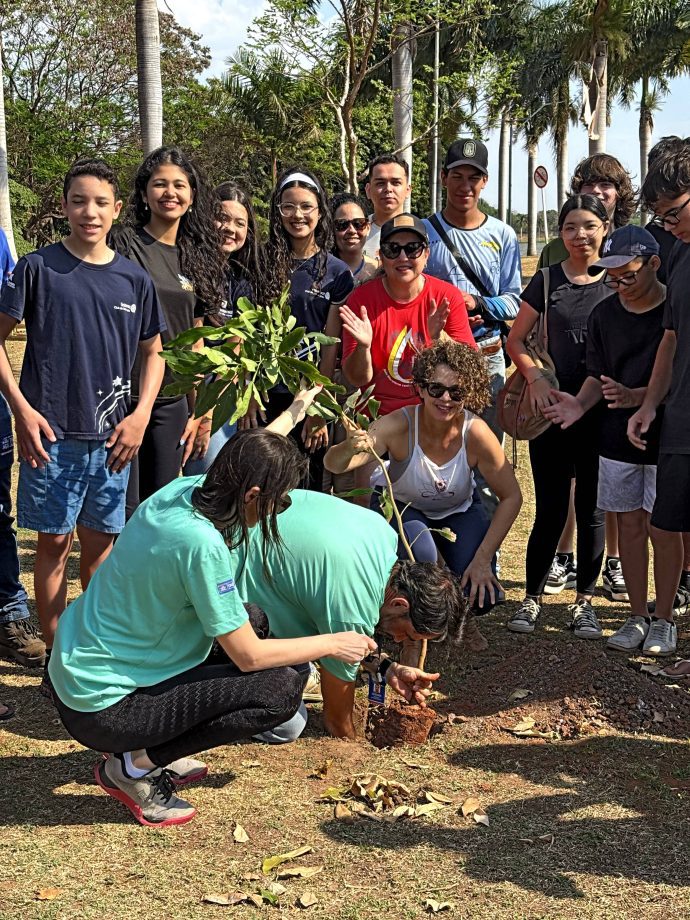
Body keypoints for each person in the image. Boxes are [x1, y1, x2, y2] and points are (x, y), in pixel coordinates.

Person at [48, 387, 378, 828]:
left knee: (253, 618)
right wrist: (333, 643)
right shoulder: (202, 546)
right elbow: (249, 657)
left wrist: (295, 412)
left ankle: (151, 742)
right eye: (279, 501)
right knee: (278, 691)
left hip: (77, 669)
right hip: (102, 708)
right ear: (252, 495)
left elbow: (246, 455)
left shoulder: (184, 491)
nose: (279, 511)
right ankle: (134, 766)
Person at [0, 159, 165, 665]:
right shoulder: (36, 269)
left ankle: (94, 653)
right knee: (53, 545)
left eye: (100, 203)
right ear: (64, 206)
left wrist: (140, 415)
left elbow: (154, 353)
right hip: (51, 437)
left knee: (100, 550)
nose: (89, 212)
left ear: (117, 209)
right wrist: (23, 411)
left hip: (114, 440)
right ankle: (57, 657)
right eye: (78, 201)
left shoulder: (134, 279)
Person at [325, 340, 522, 648]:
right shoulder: (398, 425)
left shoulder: (476, 433)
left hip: (457, 511)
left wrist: (483, 559)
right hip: (403, 507)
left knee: (482, 593)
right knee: (423, 562)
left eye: (456, 392)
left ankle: (461, 617)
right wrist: (349, 447)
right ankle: (410, 633)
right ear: (420, 388)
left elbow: (512, 496)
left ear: (469, 394)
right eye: (436, 389)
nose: (445, 399)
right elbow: (334, 464)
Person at [543, 226, 679, 655]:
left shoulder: (675, 310)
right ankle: (637, 615)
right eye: (612, 278)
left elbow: (680, 376)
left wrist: (640, 398)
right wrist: (579, 406)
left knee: (664, 528)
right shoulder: (604, 314)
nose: (619, 286)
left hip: (668, 437)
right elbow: (596, 376)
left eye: (628, 276)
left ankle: (665, 619)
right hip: (615, 436)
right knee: (631, 524)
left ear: (654, 264)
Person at [237, 488, 464, 740]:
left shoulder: (382, 534)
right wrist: (356, 746)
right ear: (400, 604)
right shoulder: (352, 607)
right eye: (408, 634)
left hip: (228, 506)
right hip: (218, 589)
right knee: (288, 722)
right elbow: (336, 722)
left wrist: (387, 668)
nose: (399, 639)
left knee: (298, 669)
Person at [505, 195, 610, 638]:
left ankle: (584, 601)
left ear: (605, 228)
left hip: (601, 413)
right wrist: (535, 379)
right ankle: (531, 598)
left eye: (589, 226)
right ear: (560, 232)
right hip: (549, 412)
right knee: (549, 507)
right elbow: (515, 340)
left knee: (591, 509)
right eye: (569, 227)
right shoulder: (547, 280)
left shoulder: (618, 279)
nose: (579, 235)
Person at [538, 153, 637, 598]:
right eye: (589, 185)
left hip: (613, 386)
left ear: (619, 195)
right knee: (570, 483)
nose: (597, 193)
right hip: (563, 387)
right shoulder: (555, 250)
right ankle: (563, 556)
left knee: (608, 481)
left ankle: (611, 561)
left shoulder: (631, 245)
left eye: (606, 186)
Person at [112, 146, 228, 517]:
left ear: (192, 196)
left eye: (179, 185)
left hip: (171, 401)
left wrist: (201, 412)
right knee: (121, 510)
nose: (170, 192)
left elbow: (195, 340)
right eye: (160, 184)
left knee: (157, 508)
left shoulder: (198, 256)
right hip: (122, 396)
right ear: (144, 192)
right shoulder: (122, 243)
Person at [423, 139, 521, 516]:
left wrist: (477, 304)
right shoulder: (424, 232)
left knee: (485, 461)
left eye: (474, 178)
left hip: (487, 356)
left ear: (485, 182)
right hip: (438, 360)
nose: (465, 186)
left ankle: (485, 544)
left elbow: (514, 301)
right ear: (443, 178)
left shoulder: (503, 235)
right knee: (437, 456)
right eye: (457, 176)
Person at [628, 145, 690, 674]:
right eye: (662, 218)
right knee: (667, 524)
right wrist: (650, 403)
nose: (669, 226)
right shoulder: (679, 255)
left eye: (674, 212)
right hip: (681, 416)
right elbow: (670, 337)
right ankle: (669, 624)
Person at [262, 167, 354, 489]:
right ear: (278, 211)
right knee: (264, 484)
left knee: (305, 488)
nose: (297, 215)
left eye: (305, 206)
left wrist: (316, 405)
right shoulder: (261, 262)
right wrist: (249, 395)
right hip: (265, 393)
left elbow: (330, 343)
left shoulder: (337, 272)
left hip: (306, 394)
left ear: (320, 212)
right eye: (288, 206)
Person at [340, 214, 476, 415]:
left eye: (413, 249)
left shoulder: (447, 297)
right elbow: (357, 379)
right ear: (381, 256)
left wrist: (439, 338)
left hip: (433, 414)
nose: (403, 257)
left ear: (426, 254)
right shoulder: (361, 301)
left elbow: (470, 371)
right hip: (378, 415)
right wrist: (363, 347)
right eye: (393, 249)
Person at [183, 180, 264, 474]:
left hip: (223, 385)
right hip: (189, 382)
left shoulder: (240, 278)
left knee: (220, 470)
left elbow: (236, 345)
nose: (230, 228)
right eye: (222, 218)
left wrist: (214, 412)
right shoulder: (188, 265)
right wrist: (201, 414)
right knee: (201, 465)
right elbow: (194, 344)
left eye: (239, 223)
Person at [362, 153, 411, 260]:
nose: (388, 189)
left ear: (408, 190)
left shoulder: (421, 232)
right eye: (380, 183)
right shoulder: (355, 232)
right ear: (368, 190)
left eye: (396, 183)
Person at [331, 192, 379, 283]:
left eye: (358, 223)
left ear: (368, 228)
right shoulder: (321, 270)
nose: (352, 230)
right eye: (342, 224)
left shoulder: (379, 271)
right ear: (332, 229)